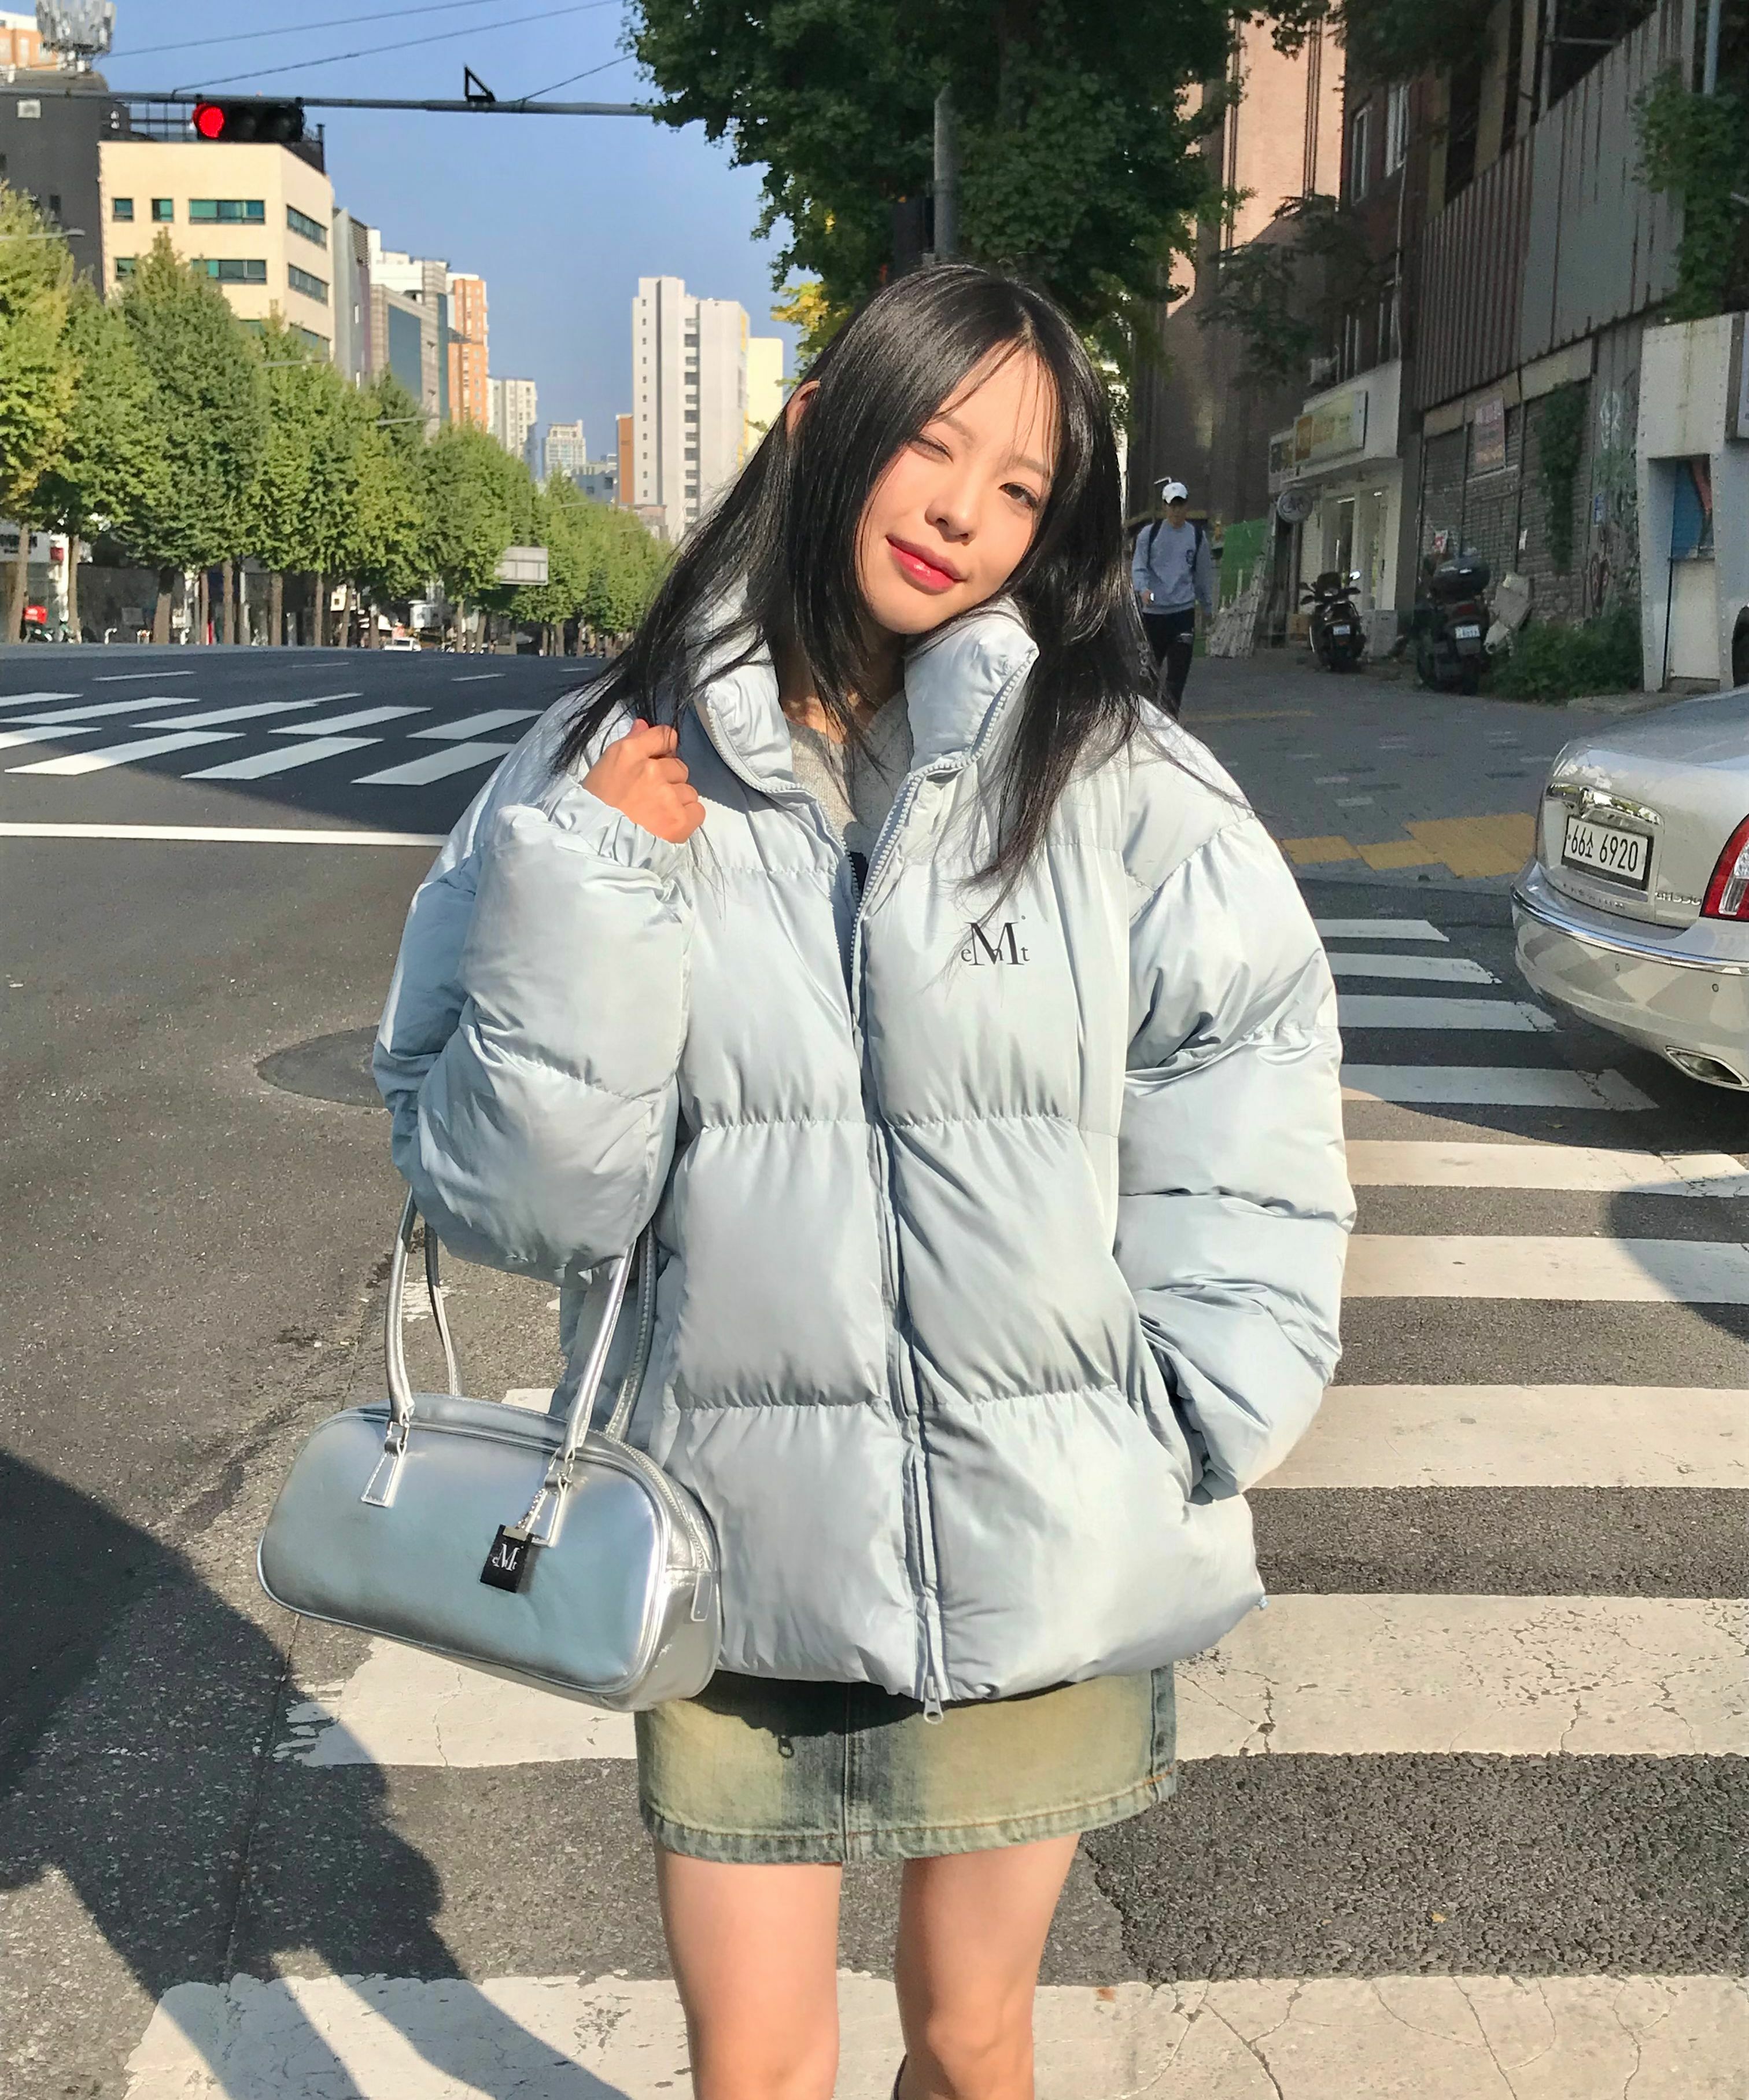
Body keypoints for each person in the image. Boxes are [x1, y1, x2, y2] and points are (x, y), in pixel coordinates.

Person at [376, 265, 1352, 2100]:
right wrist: (593, 890)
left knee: (976, 2041)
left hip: (1040, 1540)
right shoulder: (604, 770)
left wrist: (1188, 1411)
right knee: (755, 2065)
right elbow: (518, 1200)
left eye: (1020, 485)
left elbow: (1248, 1074)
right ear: (824, 424)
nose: (962, 511)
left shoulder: (1115, 778)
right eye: (933, 443)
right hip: (731, 1557)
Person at [1131, 478, 1216, 718]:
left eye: (1181, 505)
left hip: (1183, 614)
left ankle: (1170, 722)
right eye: (1172, 505)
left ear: (1187, 506)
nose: (1176, 511)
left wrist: (1207, 608)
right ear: (1165, 507)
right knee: (1149, 676)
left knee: (1176, 678)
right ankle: (1145, 721)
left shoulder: (1197, 537)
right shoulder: (1149, 535)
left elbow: (1202, 575)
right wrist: (1143, 589)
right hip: (1155, 615)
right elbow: (1139, 567)